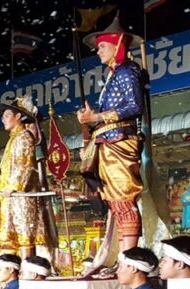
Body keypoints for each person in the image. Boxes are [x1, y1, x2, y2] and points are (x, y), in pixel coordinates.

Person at [78, 16, 147, 257]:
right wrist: (90, 121)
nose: (98, 51)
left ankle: (131, 258)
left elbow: (134, 106)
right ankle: (124, 256)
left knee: (123, 199)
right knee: (116, 202)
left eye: (102, 46)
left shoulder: (126, 71)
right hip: (109, 141)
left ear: (117, 44)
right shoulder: (114, 74)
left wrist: (96, 117)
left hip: (119, 142)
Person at [0, 95, 53, 260]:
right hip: (10, 196)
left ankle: (26, 265)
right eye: (3, 117)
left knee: (24, 233)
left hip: (21, 196)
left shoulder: (24, 136)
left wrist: (13, 185)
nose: (3, 119)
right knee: (11, 235)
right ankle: (11, 267)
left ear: (18, 116)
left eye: (7, 115)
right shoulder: (14, 139)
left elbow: (23, 164)